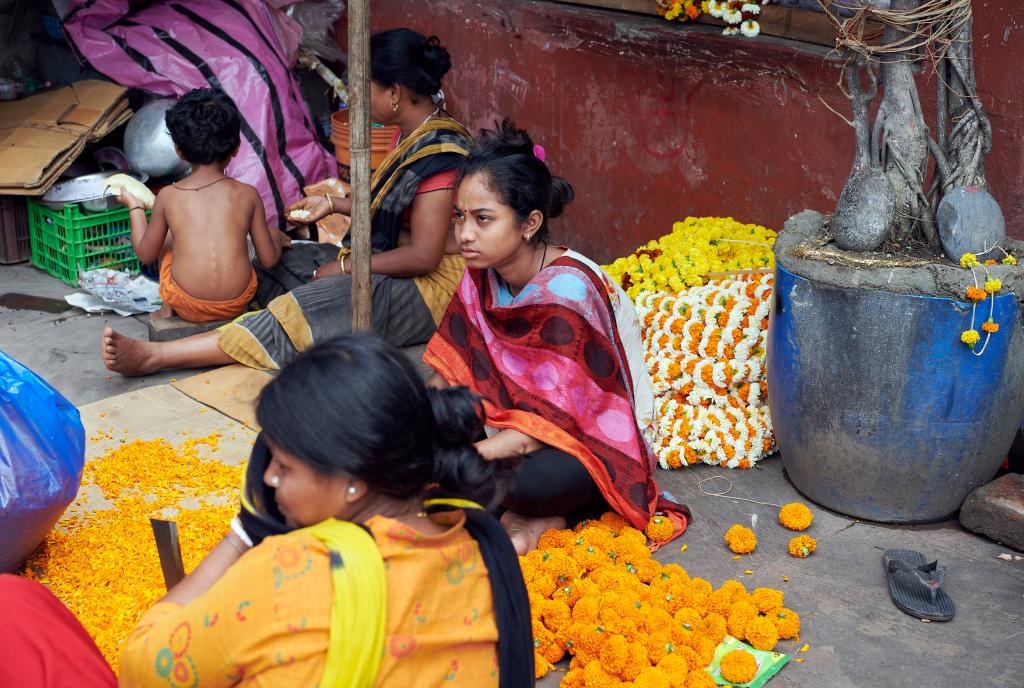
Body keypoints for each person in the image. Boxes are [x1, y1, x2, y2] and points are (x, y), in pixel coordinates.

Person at [3, 335, 533, 687]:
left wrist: (244, 534)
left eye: (282, 464)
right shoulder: (485, 544)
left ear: (351, 481)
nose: (271, 479)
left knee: (16, 613)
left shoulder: (295, 571)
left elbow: (144, 666)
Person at [102, 29, 472, 375]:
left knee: (312, 304)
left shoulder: (438, 154)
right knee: (285, 261)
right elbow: (395, 210)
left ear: (394, 92)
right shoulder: (411, 135)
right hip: (389, 261)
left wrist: (346, 269)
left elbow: (424, 256)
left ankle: (158, 355)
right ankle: (282, 322)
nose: (355, 96)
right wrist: (334, 204)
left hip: (429, 288)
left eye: (364, 87)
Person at [425, 121, 691, 554]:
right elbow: (449, 372)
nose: (465, 234)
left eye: (482, 219)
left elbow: (548, 427)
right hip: (506, 425)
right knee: (432, 420)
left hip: (585, 441)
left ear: (529, 222)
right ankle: (517, 517)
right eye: (461, 217)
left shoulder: (569, 292)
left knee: (533, 480)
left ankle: (538, 511)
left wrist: (460, 459)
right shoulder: (479, 276)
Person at [115, 88, 286, 323]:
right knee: (252, 243)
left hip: (188, 303)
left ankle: (167, 309)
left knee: (168, 246)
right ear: (236, 148)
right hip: (237, 302)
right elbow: (268, 259)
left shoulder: (168, 196)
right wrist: (275, 239)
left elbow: (145, 254)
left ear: (179, 151)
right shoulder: (248, 195)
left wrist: (134, 207)